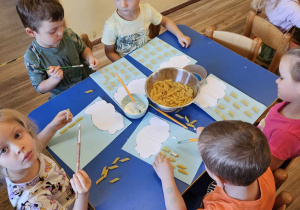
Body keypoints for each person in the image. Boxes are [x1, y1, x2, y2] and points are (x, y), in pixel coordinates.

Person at [153, 121, 275, 210]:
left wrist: (166, 179)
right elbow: (239, 145)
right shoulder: (258, 163)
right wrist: (210, 139)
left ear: (218, 179)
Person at [0, 109, 91, 209]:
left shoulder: (26, 157)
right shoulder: (33, 201)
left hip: (70, 188)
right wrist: (82, 195)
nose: (19, 148)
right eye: (3, 150)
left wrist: (53, 128)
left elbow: (38, 145)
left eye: (17, 135)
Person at [16, 0, 100, 100]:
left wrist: (90, 58)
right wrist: (54, 79)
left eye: (62, 25)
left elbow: (83, 50)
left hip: (88, 82)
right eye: (52, 31)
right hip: (64, 97)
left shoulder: (69, 35)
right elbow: (40, 88)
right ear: (31, 32)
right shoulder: (32, 57)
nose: (60, 32)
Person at [102, 0, 191, 62]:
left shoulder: (147, 10)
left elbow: (166, 21)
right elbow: (109, 52)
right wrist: (124, 63)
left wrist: (180, 35)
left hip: (149, 55)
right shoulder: (111, 25)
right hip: (128, 62)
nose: (123, 4)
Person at [258, 48, 300, 171]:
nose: (277, 80)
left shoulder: (285, 136)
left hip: (251, 162)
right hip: (255, 140)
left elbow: (263, 169)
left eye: (282, 77)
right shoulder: (292, 102)